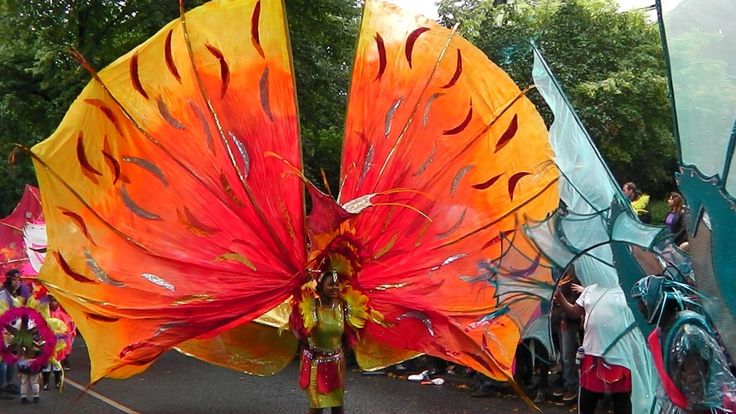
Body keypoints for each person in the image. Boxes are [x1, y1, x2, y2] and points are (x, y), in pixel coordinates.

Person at [631, 275, 736, 413]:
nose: (640, 307)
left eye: (642, 301)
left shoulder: (688, 335)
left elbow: (697, 390)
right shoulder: (661, 334)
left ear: (658, 299)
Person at [291, 259, 365, 414]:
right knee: (317, 408)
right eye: (331, 284)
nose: (335, 287)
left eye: (337, 284)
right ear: (320, 285)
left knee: (338, 407)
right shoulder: (309, 306)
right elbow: (299, 333)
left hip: (337, 365)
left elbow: (350, 335)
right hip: (315, 365)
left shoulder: (345, 306)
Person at [554, 283, 633, 414]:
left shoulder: (624, 289)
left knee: (621, 400)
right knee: (587, 400)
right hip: (592, 354)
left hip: (619, 356)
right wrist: (559, 296)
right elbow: (574, 312)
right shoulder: (589, 290)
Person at [552, 269, 582, 404]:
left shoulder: (571, 271)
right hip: (556, 317)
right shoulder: (558, 269)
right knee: (563, 354)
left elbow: (573, 296)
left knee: (567, 354)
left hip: (568, 319)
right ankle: (566, 382)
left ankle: (573, 386)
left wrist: (565, 317)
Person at [0, 269, 23, 399]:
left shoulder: (14, 295)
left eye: (18, 280)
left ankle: (9, 383)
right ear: (8, 280)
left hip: (12, 333)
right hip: (3, 332)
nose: (17, 283)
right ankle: (1, 387)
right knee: (3, 361)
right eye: (14, 280)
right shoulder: (3, 295)